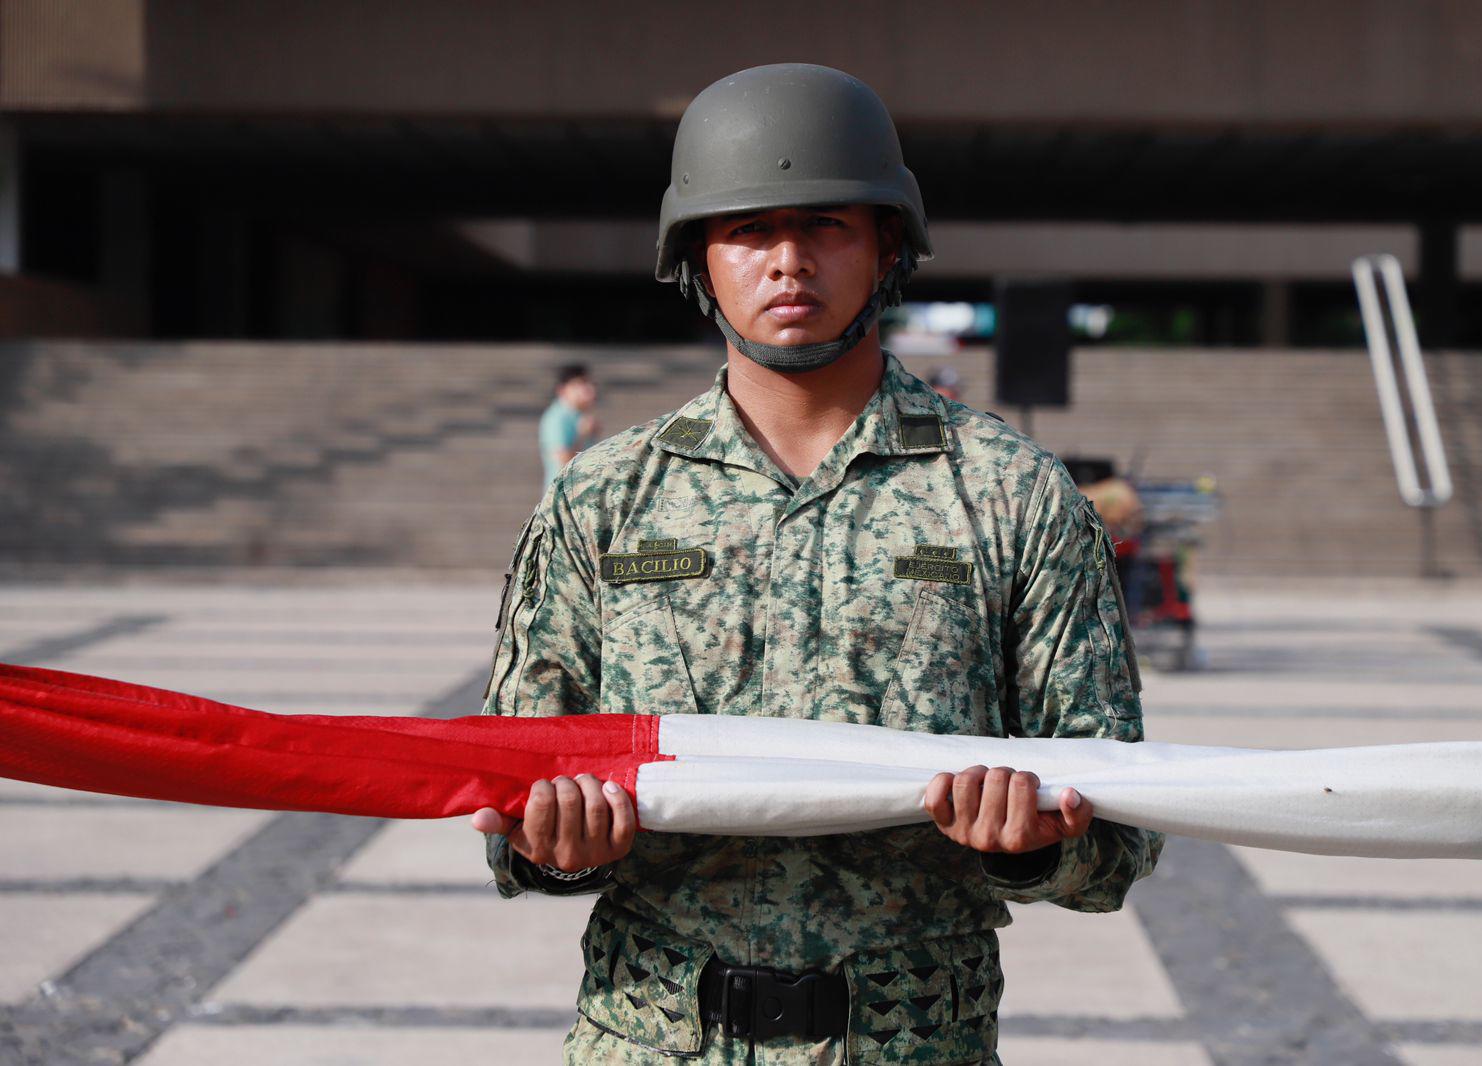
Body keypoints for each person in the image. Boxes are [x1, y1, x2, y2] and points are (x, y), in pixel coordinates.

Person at [471, 63, 1160, 1065]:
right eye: (748, 230)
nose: (787, 260)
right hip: (651, 1042)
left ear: (888, 244)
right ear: (696, 259)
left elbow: (1120, 827)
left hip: (913, 1044)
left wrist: (1039, 841)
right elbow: (507, 785)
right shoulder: (602, 498)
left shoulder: (1013, 494)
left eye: (827, 225)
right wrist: (550, 841)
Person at [539, 363, 601, 495]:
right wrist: (583, 434)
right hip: (563, 497)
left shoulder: (578, 415)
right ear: (562, 390)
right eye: (581, 383)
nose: (589, 389)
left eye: (589, 383)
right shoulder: (558, 417)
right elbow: (563, 461)